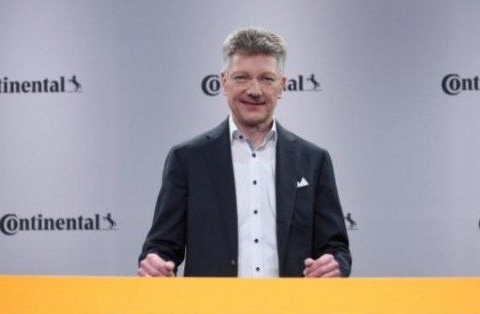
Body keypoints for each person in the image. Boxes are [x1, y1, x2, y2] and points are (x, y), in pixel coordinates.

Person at [138, 27, 351, 277]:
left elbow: (336, 249)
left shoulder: (314, 161)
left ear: (282, 86)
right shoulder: (187, 159)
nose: (255, 90)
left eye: (266, 79)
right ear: (223, 82)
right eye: (242, 78)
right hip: (212, 312)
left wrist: (334, 264)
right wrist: (156, 264)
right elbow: (162, 247)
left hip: (291, 313)